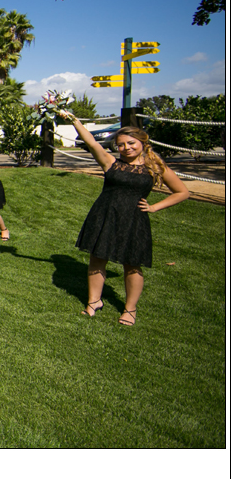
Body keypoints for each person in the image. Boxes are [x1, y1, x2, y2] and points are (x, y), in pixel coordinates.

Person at [61, 112, 189, 326]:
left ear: (142, 142)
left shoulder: (154, 166)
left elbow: (182, 192)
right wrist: (74, 120)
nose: (126, 148)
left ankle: (130, 309)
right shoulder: (110, 162)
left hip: (134, 220)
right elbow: (91, 142)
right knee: (98, 258)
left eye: (131, 143)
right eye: (121, 145)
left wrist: (154, 207)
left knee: (132, 264)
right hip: (104, 215)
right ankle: (94, 302)